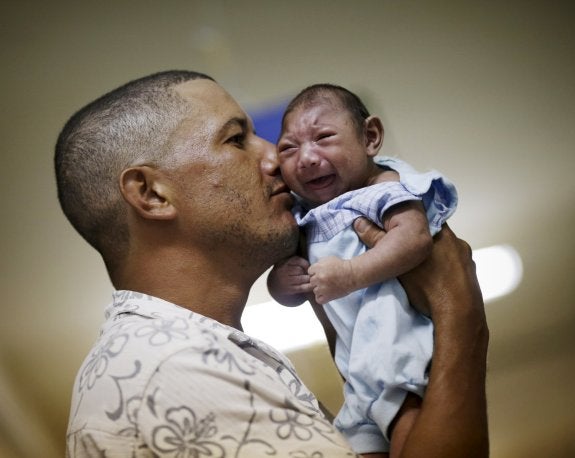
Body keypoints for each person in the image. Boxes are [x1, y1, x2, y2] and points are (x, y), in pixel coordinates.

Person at [55, 70, 488, 458]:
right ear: (151, 193)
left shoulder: (186, 356)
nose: (275, 158)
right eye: (237, 139)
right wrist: (459, 313)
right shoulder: (173, 368)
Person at [267, 84, 458, 456]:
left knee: (409, 430)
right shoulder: (301, 216)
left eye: (323, 138)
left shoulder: (382, 188)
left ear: (370, 137)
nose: (306, 157)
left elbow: (414, 239)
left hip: (396, 347)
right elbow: (289, 295)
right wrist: (282, 282)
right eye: (288, 148)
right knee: (359, 443)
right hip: (357, 372)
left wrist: (352, 274)